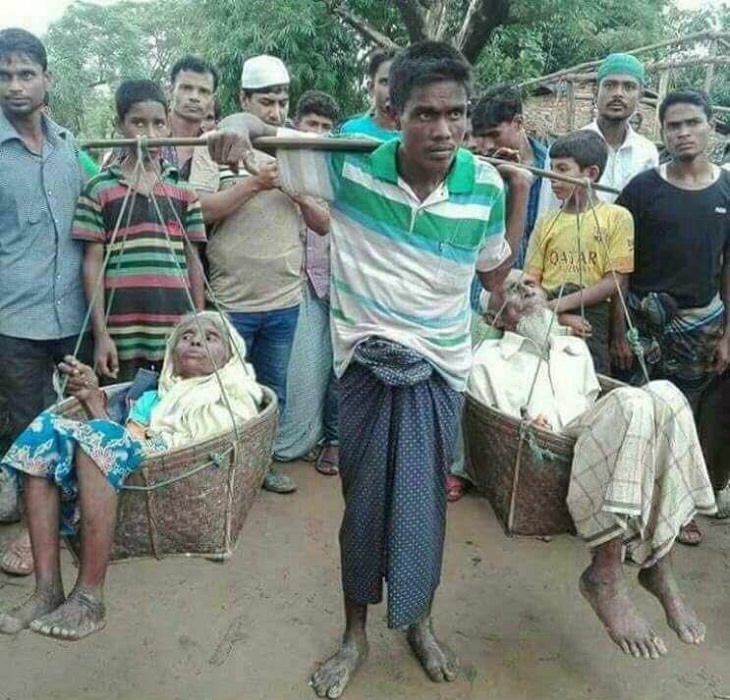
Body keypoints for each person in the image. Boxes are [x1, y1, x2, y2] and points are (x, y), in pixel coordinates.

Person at [208, 40, 531, 697]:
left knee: (424, 510)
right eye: (424, 114)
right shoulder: (346, 167)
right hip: (364, 367)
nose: (442, 130)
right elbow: (257, 130)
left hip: (440, 369)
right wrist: (235, 129)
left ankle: (419, 622)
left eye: (455, 115)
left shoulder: (486, 185)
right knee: (363, 510)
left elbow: (494, 272)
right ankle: (355, 633)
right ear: (394, 110)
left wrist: (519, 287)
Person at [467, 279, 716, 660]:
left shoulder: (573, 349)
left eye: (531, 284)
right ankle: (605, 572)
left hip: (600, 453)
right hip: (546, 454)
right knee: (633, 402)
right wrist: (531, 424)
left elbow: (593, 403)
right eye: (513, 289)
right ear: (496, 317)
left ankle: (660, 561)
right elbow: (493, 425)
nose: (527, 288)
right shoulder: (488, 358)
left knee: (665, 392)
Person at [0, 312, 263, 641]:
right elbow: (128, 439)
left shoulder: (233, 398)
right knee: (45, 430)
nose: (196, 340)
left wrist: (110, 425)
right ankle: (47, 589)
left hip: (178, 477)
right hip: (129, 468)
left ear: (230, 356)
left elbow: (180, 448)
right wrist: (94, 401)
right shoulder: (153, 397)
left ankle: (89, 596)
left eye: (210, 337)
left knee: (100, 438)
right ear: (171, 356)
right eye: (186, 336)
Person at [189, 55, 329, 494]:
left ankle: (261, 466)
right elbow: (198, 212)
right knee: (222, 392)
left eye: (282, 101)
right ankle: (221, 473)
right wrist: (252, 183)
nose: (275, 111)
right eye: (265, 102)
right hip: (232, 300)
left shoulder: (297, 146)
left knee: (273, 393)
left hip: (285, 299)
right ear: (243, 100)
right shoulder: (216, 146)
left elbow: (323, 222)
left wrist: (294, 191)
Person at [612, 89, 730, 541]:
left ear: (709, 126)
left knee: (690, 422)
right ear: (662, 131)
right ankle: (632, 512)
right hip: (646, 329)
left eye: (692, 123)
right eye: (674, 125)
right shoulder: (643, 189)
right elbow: (620, 266)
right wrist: (619, 333)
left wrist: (726, 336)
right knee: (642, 416)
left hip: (702, 330)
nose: (683, 132)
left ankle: (680, 512)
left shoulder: (725, 190)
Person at [0, 29, 95, 576]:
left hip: (74, 315)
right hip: (14, 319)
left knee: (85, 418)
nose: (16, 86)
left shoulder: (68, 147)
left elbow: (105, 198)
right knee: (29, 429)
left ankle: (78, 520)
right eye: (6, 75)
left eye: (25, 74)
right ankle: (34, 541)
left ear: (46, 79)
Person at [73, 80, 207, 383]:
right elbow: (92, 263)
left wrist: (198, 322)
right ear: (120, 125)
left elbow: (193, 261)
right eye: (138, 123)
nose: (150, 133)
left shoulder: (184, 192)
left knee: (170, 413)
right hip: (120, 335)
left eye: (159, 123)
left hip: (175, 334)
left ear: (168, 126)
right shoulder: (100, 189)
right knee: (120, 410)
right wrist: (101, 334)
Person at [525, 130, 635, 374]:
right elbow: (531, 280)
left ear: (591, 173)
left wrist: (556, 307)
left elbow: (614, 281)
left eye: (562, 169)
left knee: (587, 381)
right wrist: (556, 317)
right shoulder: (546, 222)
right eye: (551, 168)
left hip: (592, 315)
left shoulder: (616, 217)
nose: (552, 177)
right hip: (545, 311)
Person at [273, 90, 340, 474]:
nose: (316, 133)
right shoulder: (278, 154)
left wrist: (296, 194)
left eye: (325, 127)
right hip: (292, 278)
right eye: (310, 124)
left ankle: (327, 439)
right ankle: (293, 440)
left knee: (330, 366)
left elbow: (327, 220)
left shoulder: (334, 166)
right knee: (297, 369)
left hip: (332, 276)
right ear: (295, 124)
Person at [471, 84, 556, 265]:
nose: (487, 146)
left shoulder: (553, 168)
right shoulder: (481, 170)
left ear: (518, 123)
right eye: (481, 137)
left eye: (494, 135)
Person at [582, 53, 659, 203]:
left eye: (629, 87)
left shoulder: (647, 153)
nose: (618, 94)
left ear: (640, 95)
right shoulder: (569, 149)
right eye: (609, 85)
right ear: (596, 90)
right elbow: (547, 213)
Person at [165, 55, 218, 178]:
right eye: (186, 88)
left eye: (204, 91)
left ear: (212, 99)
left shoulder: (215, 144)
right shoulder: (148, 135)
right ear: (171, 90)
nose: (194, 97)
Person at [339, 49, 398, 140]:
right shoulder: (351, 132)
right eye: (385, 82)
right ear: (371, 88)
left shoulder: (416, 134)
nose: (392, 89)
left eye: (399, 82)